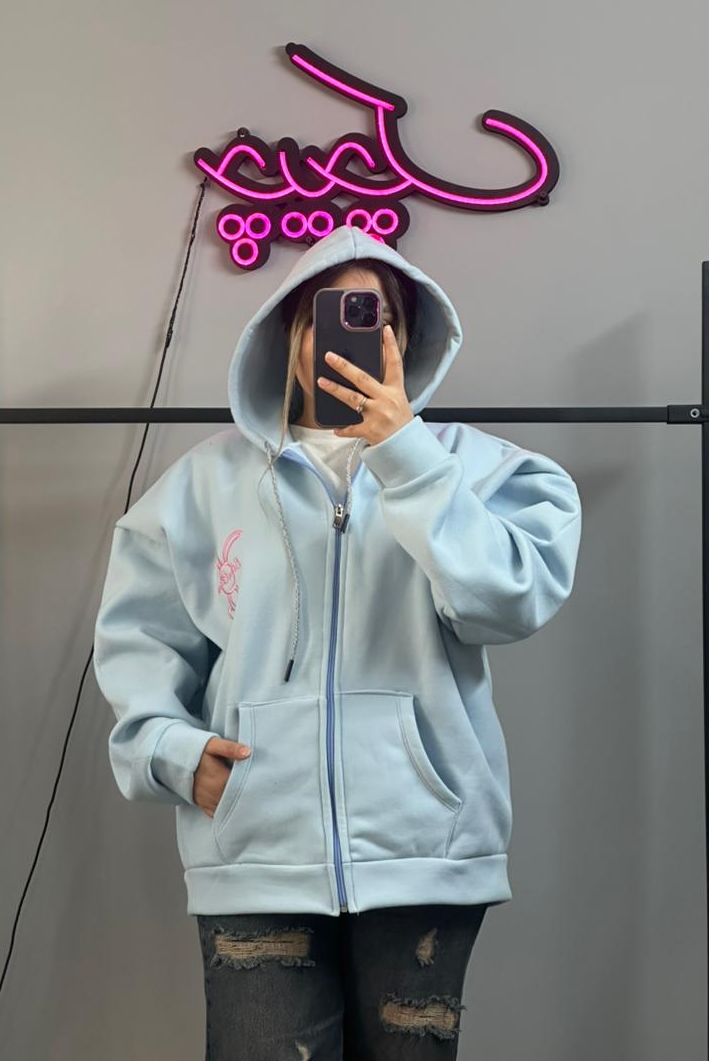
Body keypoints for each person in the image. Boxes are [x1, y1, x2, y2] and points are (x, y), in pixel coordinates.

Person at [93, 224, 582, 1058]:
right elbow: (140, 637)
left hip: (425, 852)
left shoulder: (480, 472)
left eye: (373, 313)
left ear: (405, 338)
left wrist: (405, 455)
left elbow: (506, 603)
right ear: (288, 336)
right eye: (324, 312)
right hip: (256, 850)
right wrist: (171, 752)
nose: (348, 331)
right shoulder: (204, 486)